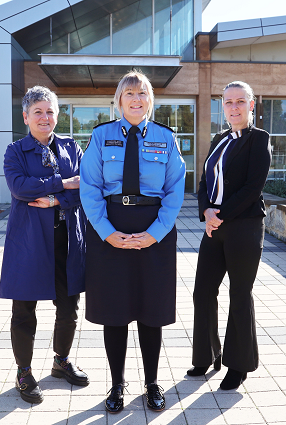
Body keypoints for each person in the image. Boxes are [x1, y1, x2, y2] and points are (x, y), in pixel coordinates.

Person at [80, 71, 186, 413]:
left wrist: (155, 233)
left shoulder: (166, 138)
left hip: (153, 230)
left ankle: (152, 382)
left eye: (142, 93)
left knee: (151, 310)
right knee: (115, 311)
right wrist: (106, 231)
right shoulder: (101, 136)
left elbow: (175, 190)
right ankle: (116, 384)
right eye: (129, 93)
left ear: (150, 100)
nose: (136, 99)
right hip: (110, 229)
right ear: (119, 100)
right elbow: (90, 188)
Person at [0, 86, 89, 404]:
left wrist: (54, 199)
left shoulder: (70, 147)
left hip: (67, 239)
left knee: (68, 308)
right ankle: (24, 372)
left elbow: (86, 187)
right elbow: (19, 187)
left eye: (50, 111)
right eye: (38, 111)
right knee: (24, 310)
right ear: (26, 117)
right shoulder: (15, 151)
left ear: (57, 115)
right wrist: (63, 183)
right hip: (30, 242)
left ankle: (61, 361)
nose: (44, 117)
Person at [188, 81, 271, 391]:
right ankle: (207, 355)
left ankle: (238, 365)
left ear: (251, 105)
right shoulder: (219, 139)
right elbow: (203, 182)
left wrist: (218, 215)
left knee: (239, 294)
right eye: (228, 102)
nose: (234, 107)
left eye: (240, 101)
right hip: (215, 227)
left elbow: (252, 188)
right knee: (202, 291)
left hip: (245, 226)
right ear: (222, 106)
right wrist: (206, 211)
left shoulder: (259, 139)